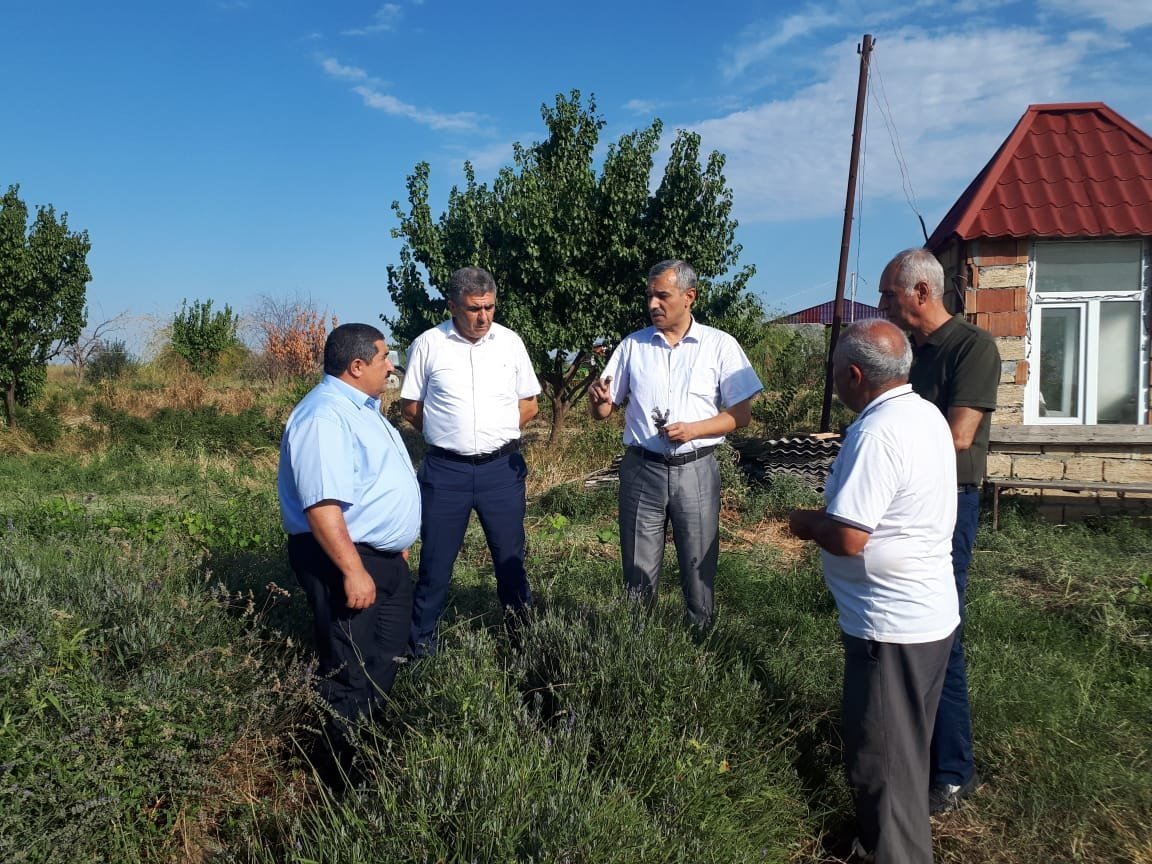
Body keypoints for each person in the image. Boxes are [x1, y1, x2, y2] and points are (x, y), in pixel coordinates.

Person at [789, 318, 959, 864]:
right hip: (924, 616)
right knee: (904, 751)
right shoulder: (924, 413)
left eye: (836, 372)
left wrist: (805, 522)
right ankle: (879, 843)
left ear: (854, 374)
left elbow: (848, 536)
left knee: (881, 762)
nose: (834, 380)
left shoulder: (877, 431)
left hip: (891, 627)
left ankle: (897, 852)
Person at [878, 247, 999, 813]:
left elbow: (958, 437)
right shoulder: (908, 352)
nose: (881, 304)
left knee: (941, 634)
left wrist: (884, 456)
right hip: (902, 506)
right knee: (898, 629)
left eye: (888, 293)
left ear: (922, 293)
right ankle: (909, 748)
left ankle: (952, 771)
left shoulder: (973, 348)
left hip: (949, 506)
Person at [588, 259, 762, 627]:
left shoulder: (719, 346)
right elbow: (604, 410)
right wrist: (598, 401)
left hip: (696, 470)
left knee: (698, 563)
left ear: (689, 297)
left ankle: (700, 637)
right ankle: (638, 641)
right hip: (641, 469)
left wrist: (694, 430)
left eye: (662, 296)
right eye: (650, 296)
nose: (653, 304)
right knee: (638, 565)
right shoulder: (633, 346)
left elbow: (741, 415)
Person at [277, 323, 420, 762]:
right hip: (344, 561)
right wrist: (353, 569)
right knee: (350, 669)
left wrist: (394, 538)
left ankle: (369, 750)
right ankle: (339, 774)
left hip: (381, 559)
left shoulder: (363, 409)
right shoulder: (323, 416)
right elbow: (321, 506)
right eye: (384, 358)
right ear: (357, 366)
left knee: (386, 659)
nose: (391, 366)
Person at [400, 266, 540, 656]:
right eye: (474, 309)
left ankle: (522, 644)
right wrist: (448, 433)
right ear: (452, 306)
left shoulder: (511, 343)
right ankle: (420, 650)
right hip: (446, 472)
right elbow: (411, 406)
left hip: (501, 470)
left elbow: (529, 404)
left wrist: (495, 430)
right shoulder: (428, 344)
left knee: (510, 561)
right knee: (434, 565)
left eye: (490, 308)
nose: (483, 317)